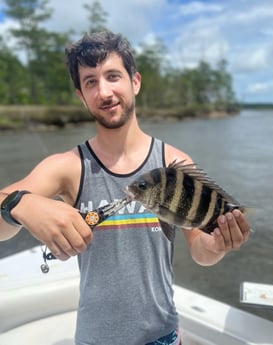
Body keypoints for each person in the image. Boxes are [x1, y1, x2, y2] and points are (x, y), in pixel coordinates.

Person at [0, 31, 250, 345]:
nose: (104, 92)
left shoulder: (174, 161)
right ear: (81, 95)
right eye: (90, 81)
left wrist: (215, 247)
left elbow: (201, 250)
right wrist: (20, 205)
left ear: (135, 81)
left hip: (164, 335)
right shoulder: (68, 166)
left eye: (113, 76)